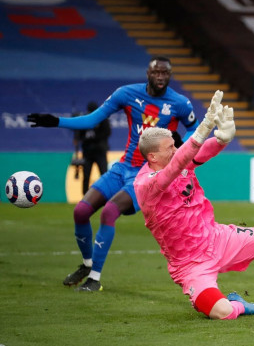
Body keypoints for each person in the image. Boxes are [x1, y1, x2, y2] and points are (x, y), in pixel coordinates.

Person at [27, 56, 199, 291]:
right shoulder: (127, 94)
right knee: (81, 211)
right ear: (147, 74)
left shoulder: (180, 103)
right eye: (156, 72)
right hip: (123, 167)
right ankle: (87, 264)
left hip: (148, 174)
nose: (160, 77)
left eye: (165, 73)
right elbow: (93, 119)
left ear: (169, 75)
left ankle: (94, 279)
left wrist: (181, 145)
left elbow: (194, 129)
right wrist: (56, 121)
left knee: (109, 212)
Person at [133, 91, 254, 320]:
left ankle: (231, 277)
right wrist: (203, 127)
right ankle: (239, 304)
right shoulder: (145, 185)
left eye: (175, 145)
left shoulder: (179, 161)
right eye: (169, 147)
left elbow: (198, 154)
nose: (175, 150)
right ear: (152, 157)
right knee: (223, 312)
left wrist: (221, 140)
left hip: (218, 239)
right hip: (190, 264)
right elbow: (177, 165)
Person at [73, 101, 112, 194]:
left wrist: (93, 138)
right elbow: (79, 133)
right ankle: (85, 196)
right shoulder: (85, 119)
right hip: (88, 152)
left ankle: (107, 194)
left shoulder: (103, 119)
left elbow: (107, 132)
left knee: (104, 174)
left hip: (100, 151)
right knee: (86, 175)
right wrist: (80, 137)